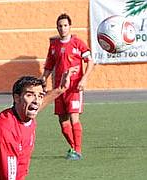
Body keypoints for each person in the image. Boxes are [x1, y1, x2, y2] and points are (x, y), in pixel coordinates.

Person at [0, 69, 75, 180]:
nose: (36, 101)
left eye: (40, 96)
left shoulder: (24, 115)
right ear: (16, 98)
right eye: (30, 95)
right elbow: (8, 176)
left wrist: (60, 90)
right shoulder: (6, 130)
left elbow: (38, 105)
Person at [40, 13, 95, 160]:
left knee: (73, 118)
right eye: (60, 26)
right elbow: (49, 65)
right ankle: (73, 148)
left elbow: (90, 62)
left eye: (65, 25)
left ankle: (78, 150)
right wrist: (43, 78)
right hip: (59, 88)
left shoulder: (78, 43)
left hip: (74, 88)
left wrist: (84, 79)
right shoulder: (54, 45)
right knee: (62, 121)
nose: (62, 28)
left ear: (70, 27)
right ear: (57, 28)